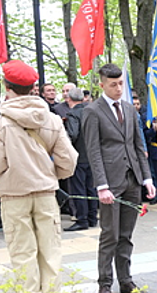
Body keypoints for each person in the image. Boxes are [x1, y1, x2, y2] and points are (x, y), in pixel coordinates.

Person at [0, 60, 78, 293]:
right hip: (46, 193)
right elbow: (68, 161)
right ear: (34, 87)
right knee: (51, 252)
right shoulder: (52, 119)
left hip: (14, 195)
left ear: (7, 86)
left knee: (23, 254)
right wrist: (50, 174)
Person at [81, 63, 156, 293]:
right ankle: (105, 284)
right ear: (101, 84)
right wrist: (101, 185)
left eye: (121, 83)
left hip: (132, 179)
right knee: (109, 235)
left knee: (126, 235)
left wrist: (147, 178)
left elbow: (138, 146)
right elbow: (93, 150)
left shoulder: (129, 109)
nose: (118, 88)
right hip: (110, 183)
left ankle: (126, 281)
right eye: (113, 84)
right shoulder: (93, 111)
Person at [63, 87, 98, 231]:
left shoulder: (73, 114)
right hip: (93, 155)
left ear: (69, 99)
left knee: (78, 189)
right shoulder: (92, 112)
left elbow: (72, 134)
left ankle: (82, 219)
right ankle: (92, 217)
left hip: (78, 156)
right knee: (91, 188)